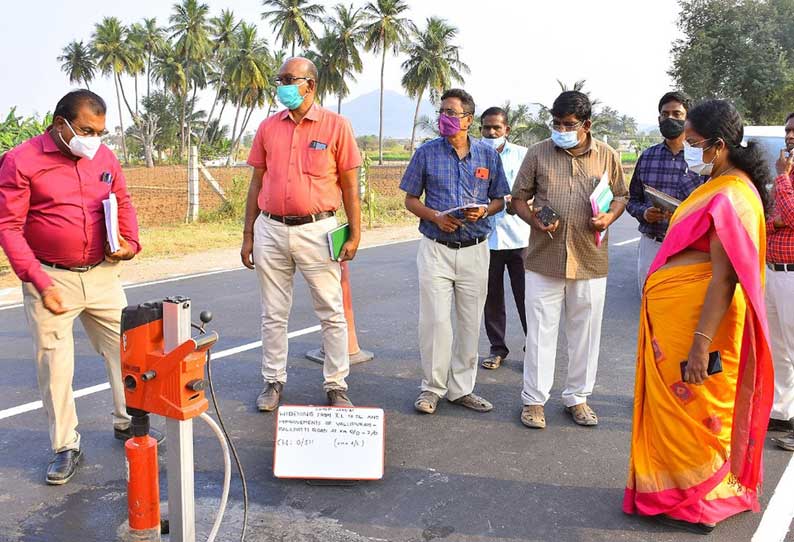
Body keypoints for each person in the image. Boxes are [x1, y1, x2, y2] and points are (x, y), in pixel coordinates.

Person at [623, 100, 774, 534]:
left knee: (696, 406)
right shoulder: (719, 185)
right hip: (674, 321)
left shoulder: (732, 195)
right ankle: (666, 490)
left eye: (693, 143)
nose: (688, 149)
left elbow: (724, 280)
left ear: (719, 145)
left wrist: (700, 345)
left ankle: (699, 498)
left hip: (699, 327)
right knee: (675, 409)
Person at [0, 90, 157, 486]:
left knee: (126, 352)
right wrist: (38, 280)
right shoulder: (21, 161)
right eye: (87, 130)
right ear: (60, 124)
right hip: (51, 278)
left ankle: (128, 422)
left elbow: (122, 200)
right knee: (55, 367)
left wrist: (129, 243)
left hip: (103, 273)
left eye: (101, 132)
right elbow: (8, 227)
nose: (94, 139)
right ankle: (64, 446)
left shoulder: (104, 157)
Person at [241, 57, 362, 411]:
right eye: (279, 79)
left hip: (319, 229)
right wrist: (248, 233)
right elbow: (256, 183)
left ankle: (336, 385)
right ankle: (273, 381)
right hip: (270, 228)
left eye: (288, 79)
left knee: (331, 310)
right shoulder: (268, 128)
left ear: (310, 85)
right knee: (273, 312)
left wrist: (355, 234)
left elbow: (350, 185)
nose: (281, 85)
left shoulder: (337, 126)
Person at [511, 91, 628, 429]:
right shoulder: (538, 153)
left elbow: (620, 196)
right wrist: (534, 219)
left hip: (590, 259)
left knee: (586, 333)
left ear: (586, 125)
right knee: (539, 334)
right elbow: (519, 198)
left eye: (568, 124)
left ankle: (578, 397)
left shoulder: (607, 155)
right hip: (544, 258)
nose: (560, 129)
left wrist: (609, 218)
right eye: (556, 123)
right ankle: (534, 401)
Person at [400, 88, 510, 415]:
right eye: (443, 112)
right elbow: (410, 199)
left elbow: (499, 199)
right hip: (436, 249)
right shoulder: (426, 153)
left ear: (468, 119)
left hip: (476, 249)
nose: (445, 118)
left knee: (468, 322)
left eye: (452, 113)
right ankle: (432, 388)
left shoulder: (488, 156)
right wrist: (435, 216)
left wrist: (484, 212)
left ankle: (461, 389)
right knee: (435, 322)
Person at [627, 91, 706, 292]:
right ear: (659, 118)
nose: (670, 118)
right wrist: (644, 213)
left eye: (677, 114)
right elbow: (632, 198)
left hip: (689, 247)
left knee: (682, 312)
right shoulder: (647, 156)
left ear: (689, 119)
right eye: (665, 114)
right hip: (652, 244)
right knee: (650, 305)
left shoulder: (702, 158)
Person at [478, 107, 530, 371]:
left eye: (496, 128)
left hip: (520, 237)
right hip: (487, 239)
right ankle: (497, 348)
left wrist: (517, 200)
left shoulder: (523, 155)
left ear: (506, 130)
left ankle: (532, 348)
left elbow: (535, 190)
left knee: (526, 297)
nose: (491, 132)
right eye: (487, 128)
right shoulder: (474, 154)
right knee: (492, 297)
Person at [766, 113, 794, 452]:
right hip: (772, 271)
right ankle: (783, 412)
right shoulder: (785, 174)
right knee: (780, 350)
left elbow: (789, 216)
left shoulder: (783, 175)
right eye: (787, 130)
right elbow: (772, 220)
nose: (789, 137)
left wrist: (783, 179)